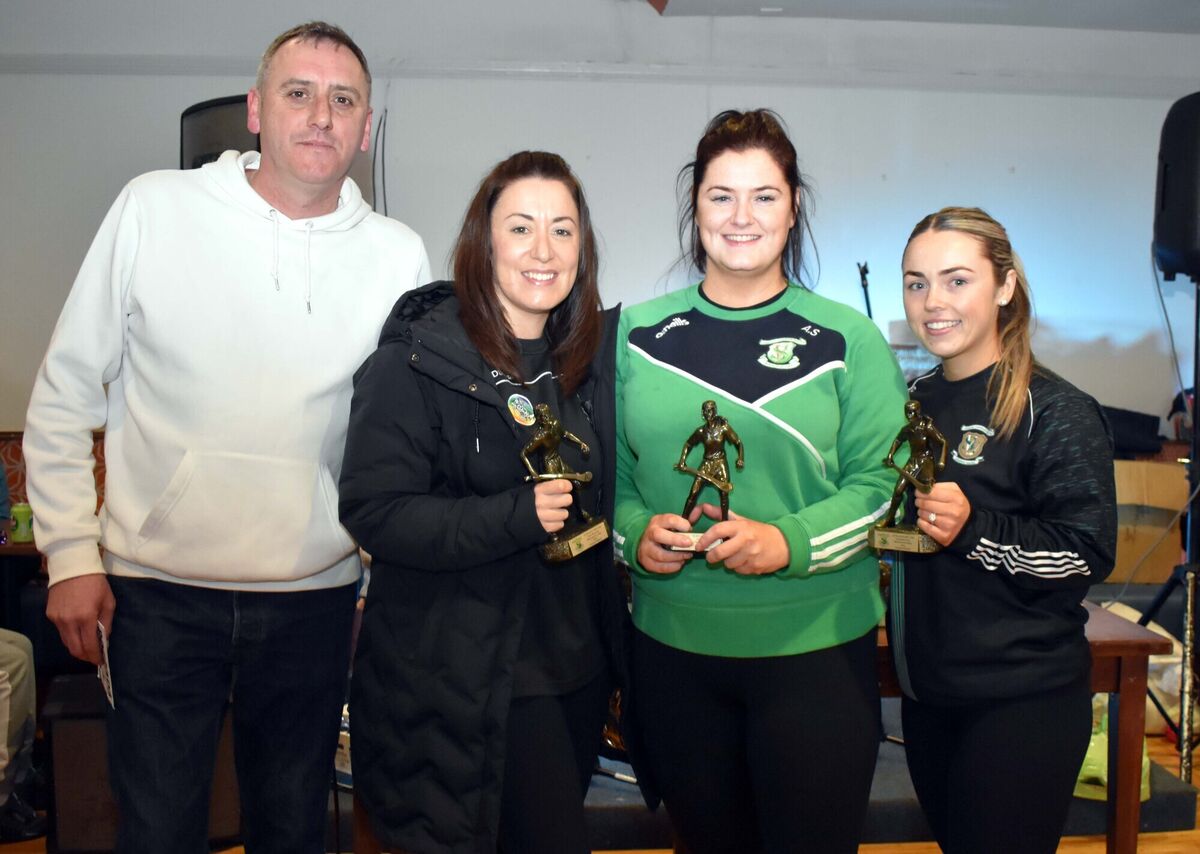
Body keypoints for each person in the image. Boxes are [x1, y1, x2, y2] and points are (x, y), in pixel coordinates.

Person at [22, 21, 430, 853]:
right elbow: (66, 389)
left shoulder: (398, 256)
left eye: (343, 100)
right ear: (254, 109)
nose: (321, 115)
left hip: (315, 599)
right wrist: (70, 555)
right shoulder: (152, 208)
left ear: (365, 129)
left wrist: (379, 579)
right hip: (157, 596)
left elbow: (404, 439)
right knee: (160, 833)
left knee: (291, 832)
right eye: (299, 93)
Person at [613, 109, 909, 854]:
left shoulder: (849, 338)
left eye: (764, 196)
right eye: (720, 196)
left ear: (794, 205)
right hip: (672, 653)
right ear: (695, 207)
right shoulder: (631, 333)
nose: (740, 217)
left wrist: (791, 541)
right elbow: (606, 480)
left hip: (814, 656)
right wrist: (632, 535)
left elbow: (883, 486)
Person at [340, 150, 635, 853]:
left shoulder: (588, 366)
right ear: (484, 242)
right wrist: (514, 517)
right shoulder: (414, 362)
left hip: (575, 673)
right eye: (522, 227)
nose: (544, 250)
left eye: (563, 230)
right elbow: (375, 511)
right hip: (462, 679)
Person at [890, 206, 1116, 853]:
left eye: (956, 280)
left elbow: (1086, 554)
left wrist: (973, 529)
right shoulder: (914, 401)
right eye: (916, 282)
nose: (933, 302)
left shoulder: (1056, 408)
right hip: (929, 698)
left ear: (1006, 286)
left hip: (1023, 702)